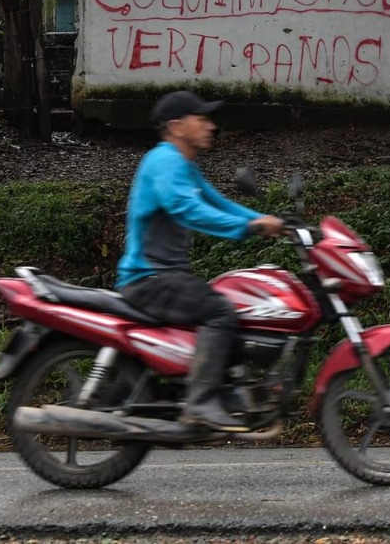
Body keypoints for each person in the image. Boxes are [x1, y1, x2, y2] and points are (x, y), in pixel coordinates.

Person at [116, 90, 285, 431]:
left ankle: (224, 392)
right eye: (202, 118)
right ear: (177, 126)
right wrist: (249, 226)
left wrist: (269, 222)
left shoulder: (184, 167)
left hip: (164, 277)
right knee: (220, 310)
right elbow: (187, 209)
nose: (211, 126)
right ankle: (200, 403)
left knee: (235, 309)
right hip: (148, 279)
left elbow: (219, 204)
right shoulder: (163, 161)